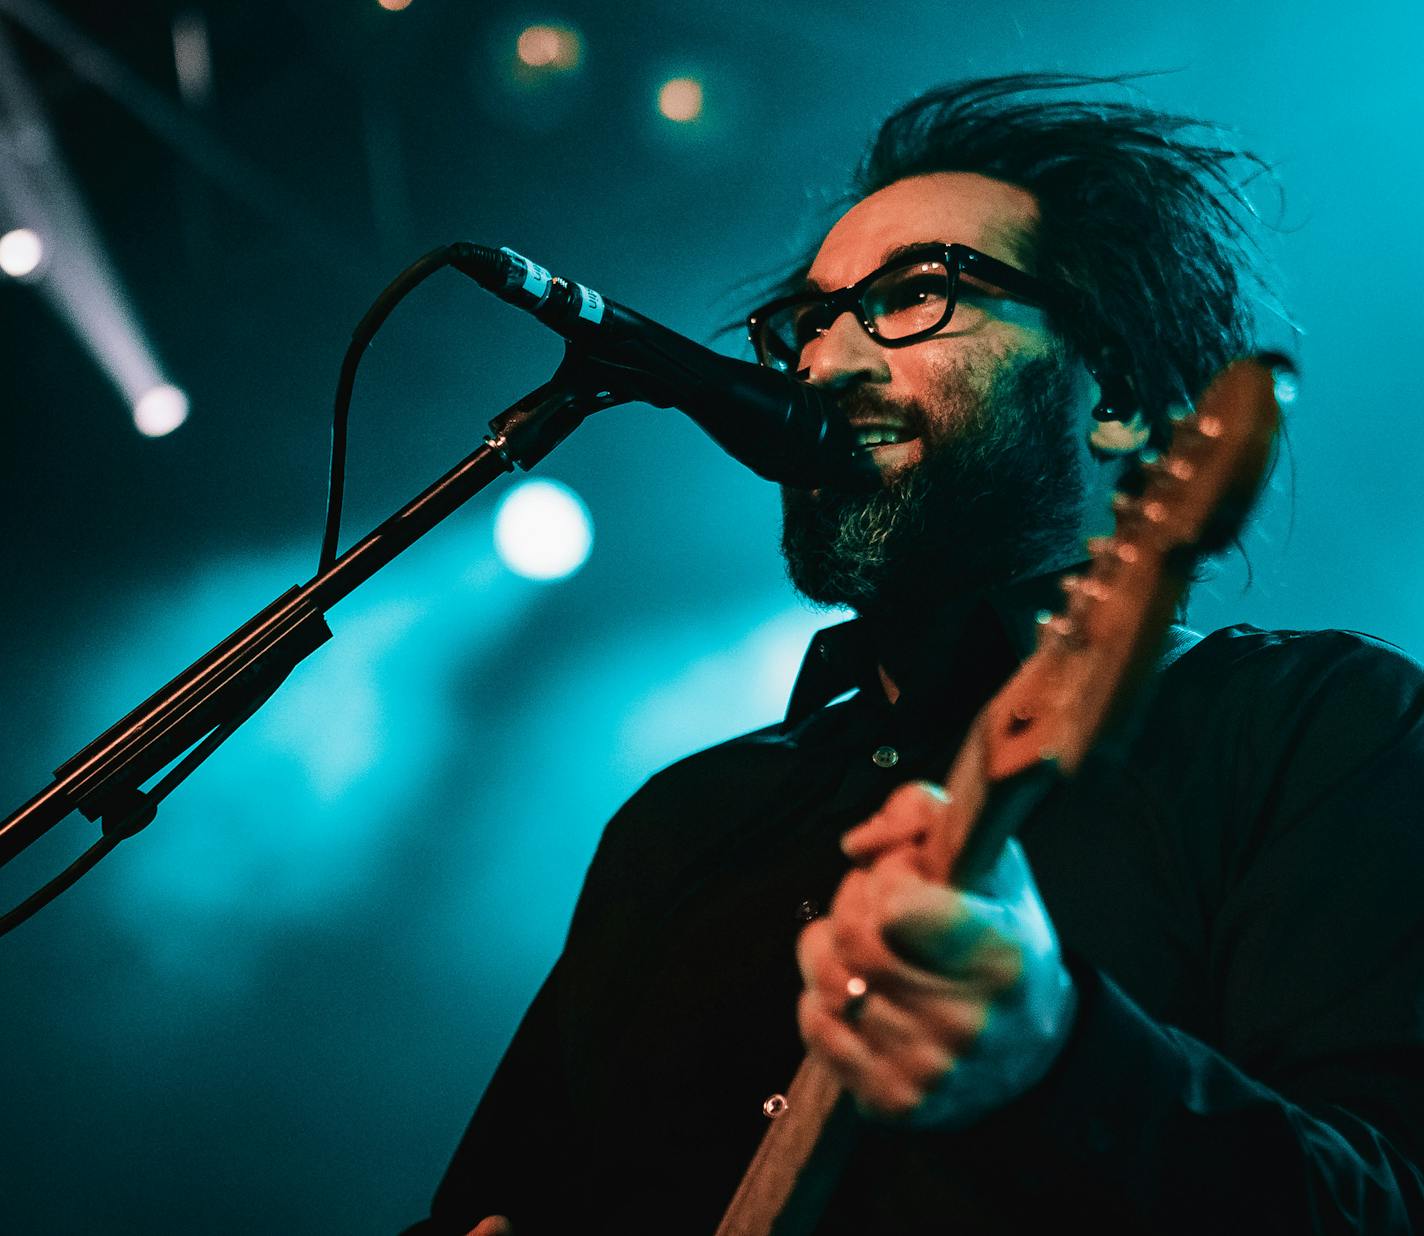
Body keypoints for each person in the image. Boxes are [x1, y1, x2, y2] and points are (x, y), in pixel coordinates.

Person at [404, 75, 1424, 1234]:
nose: (824, 364)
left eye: (914, 295)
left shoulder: (1317, 731)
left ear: (1122, 399)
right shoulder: (682, 825)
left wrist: (1058, 1059)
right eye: (809, 321)